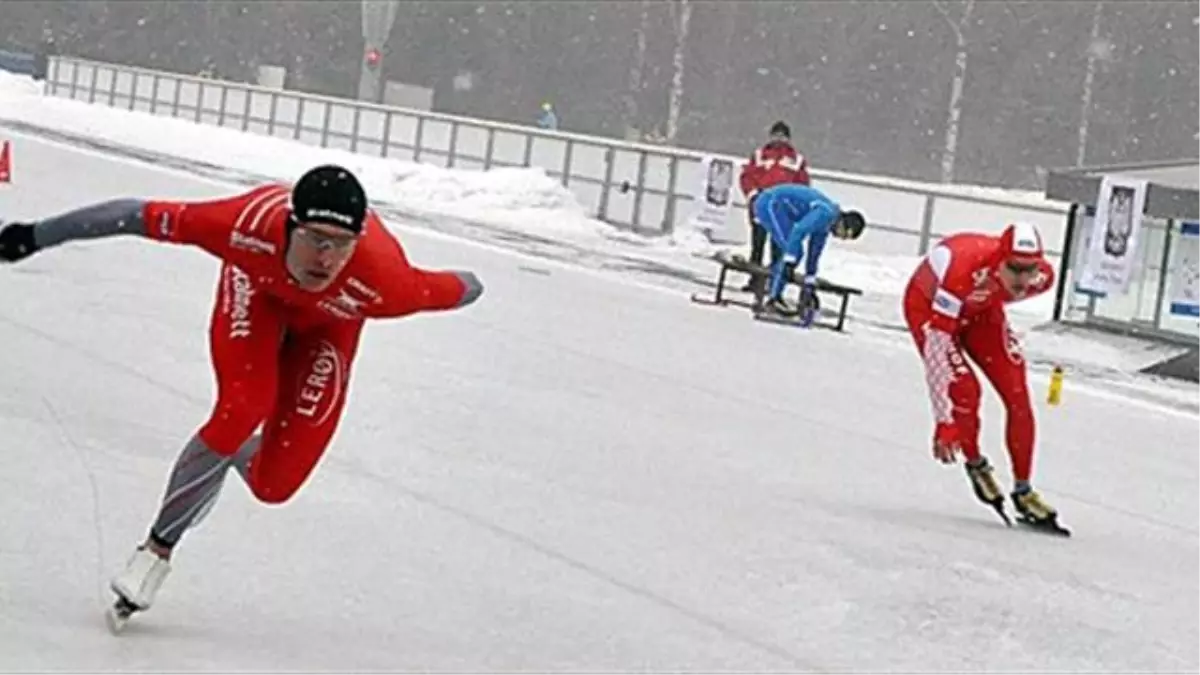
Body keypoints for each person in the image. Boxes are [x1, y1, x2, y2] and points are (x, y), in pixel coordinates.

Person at [0, 165, 484, 619]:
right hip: (257, 291)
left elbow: (460, 286)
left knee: (275, 486)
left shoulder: (387, 282)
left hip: (330, 327)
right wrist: (33, 235)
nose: (326, 258)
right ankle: (157, 550)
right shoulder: (242, 226)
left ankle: (223, 455)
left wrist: (473, 285)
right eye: (315, 239)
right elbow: (132, 214)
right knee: (244, 406)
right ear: (290, 225)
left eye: (341, 244)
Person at [903, 222, 1066, 532]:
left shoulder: (1042, 279)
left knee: (1017, 393)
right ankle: (976, 463)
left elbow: (998, 294)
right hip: (928, 308)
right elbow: (937, 354)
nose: (1022, 280)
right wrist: (943, 421)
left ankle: (1024, 490)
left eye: (1029, 269)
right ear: (998, 261)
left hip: (981, 312)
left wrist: (985, 303)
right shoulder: (963, 271)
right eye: (1015, 269)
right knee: (966, 391)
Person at [752, 182, 865, 321]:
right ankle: (773, 299)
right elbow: (798, 230)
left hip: (779, 208)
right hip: (769, 203)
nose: (840, 238)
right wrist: (789, 263)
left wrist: (810, 282)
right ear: (843, 223)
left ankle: (774, 292)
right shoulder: (825, 213)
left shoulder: (826, 225)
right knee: (794, 252)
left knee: (792, 252)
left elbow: (814, 254)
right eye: (844, 235)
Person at [738, 121, 810, 292]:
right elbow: (747, 176)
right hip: (761, 203)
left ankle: (772, 281)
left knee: (778, 246)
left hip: (783, 208)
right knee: (757, 243)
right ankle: (754, 279)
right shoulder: (759, 155)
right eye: (776, 135)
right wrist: (753, 194)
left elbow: (802, 184)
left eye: (782, 136)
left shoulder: (796, 160)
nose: (779, 139)